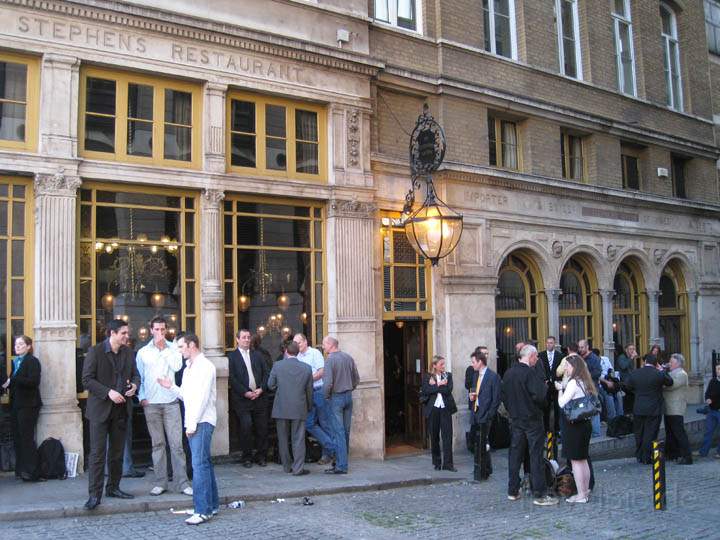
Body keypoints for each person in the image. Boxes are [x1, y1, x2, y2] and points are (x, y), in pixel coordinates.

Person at [158, 333, 218, 525]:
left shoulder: (206, 367)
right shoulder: (188, 368)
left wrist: (192, 425)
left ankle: (202, 510)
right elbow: (186, 395)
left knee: (199, 465)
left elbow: (201, 399)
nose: (180, 351)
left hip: (202, 421)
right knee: (204, 464)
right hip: (195, 420)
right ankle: (211, 505)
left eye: (181, 347)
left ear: (192, 345)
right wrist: (171, 387)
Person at [81, 319, 140, 510]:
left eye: (127, 333)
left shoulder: (129, 353)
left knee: (116, 454)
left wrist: (135, 386)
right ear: (112, 333)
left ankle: (113, 487)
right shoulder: (95, 352)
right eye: (123, 333)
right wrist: (108, 392)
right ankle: (94, 495)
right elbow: (87, 380)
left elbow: (136, 374)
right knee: (97, 455)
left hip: (122, 410)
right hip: (100, 410)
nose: (126, 336)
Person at [136, 317, 192, 496]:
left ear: (166, 330)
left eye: (162, 330)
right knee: (157, 444)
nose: (160, 333)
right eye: (156, 330)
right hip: (151, 403)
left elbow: (176, 366)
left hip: (171, 402)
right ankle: (161, 482)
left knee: (176, 445)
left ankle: (182, 483)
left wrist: (165, 348)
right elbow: (140, 377)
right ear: (151, 330)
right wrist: (142, 397)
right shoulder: (143, 352)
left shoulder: (174, 349)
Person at [501, 344, 558, 506]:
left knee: (515, 455)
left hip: (516, 419)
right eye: (536, 357)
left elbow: (504, 396)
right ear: (530, 356)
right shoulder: (530, 373)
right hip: (532, 419)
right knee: (535, 456)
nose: (537, 360)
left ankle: (513, 490)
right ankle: (539, 493)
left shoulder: (509, 373)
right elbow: (540, 396)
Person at [267, 340, 313, 476]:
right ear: (298, 352)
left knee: (282, 438)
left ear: (286, 351)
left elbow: (270, 385)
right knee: (298, 439)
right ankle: (298, 468)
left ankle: (287, 467)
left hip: (281, 407)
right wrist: (309, 406)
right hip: (299, 407)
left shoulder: (277, 365)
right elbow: (309, 391)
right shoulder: (306, 368)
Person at [556, 354, 596, 503]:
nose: (565, 368)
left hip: (574, 426)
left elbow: (562, 403)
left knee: (576, 461)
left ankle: (581, 495)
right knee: (583, 459)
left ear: (574, 367)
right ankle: (585, 491)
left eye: (567, 366)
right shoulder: (584, 381)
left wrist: (560, 389)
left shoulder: (573, 383)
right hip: (584, 424)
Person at [1, 336, 42, 481]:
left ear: (29, 346)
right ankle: (21, 470)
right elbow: (15, 383)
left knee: (26, 438)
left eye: (20, 344)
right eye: (16, 344)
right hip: (16, 404)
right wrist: (8, 384)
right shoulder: (16, 362)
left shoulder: (32, 361)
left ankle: (31, 472)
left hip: (28, 405)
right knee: (17, 438)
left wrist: (13, 380)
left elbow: (33, 381)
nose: (17, 346)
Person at [228, 329, 269, 468]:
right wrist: (245, 392)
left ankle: (261, 456)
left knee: (262, 428)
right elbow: (232, 378)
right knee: (246, 427)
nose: (246, 340)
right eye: (243, 337)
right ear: (237, 339)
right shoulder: (232, 357)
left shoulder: (258, 355)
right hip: (242, 399)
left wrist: (262, 388)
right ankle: (247, 457)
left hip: (259, 397)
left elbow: (266, 373)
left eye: (248, 337)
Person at [623, 354, 673, 464]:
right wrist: (661, 370)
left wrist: (637, 392)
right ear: (656, 364)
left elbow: (627, 386)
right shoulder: (658, 374)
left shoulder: (636, 373)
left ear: (645, 362)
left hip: (639, 407)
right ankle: (647, 456)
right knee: (651, 433)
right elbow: (670, 382)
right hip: (654, 408)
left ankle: (640, 455)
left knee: (639, 432)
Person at [294, 333, 334, 465]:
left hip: (319, 391)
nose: (297, 345)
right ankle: (332, 447)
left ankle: (326, 455)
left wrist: (307, 380)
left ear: (305, 342)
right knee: (309, 423)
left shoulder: (315, 353)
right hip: (306, 394)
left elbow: (321, 372)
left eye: (299, 342)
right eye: (295, 343)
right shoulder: (297, 357)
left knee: (324, 423)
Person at [322, 335, 360, 475]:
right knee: (345, 432)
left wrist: (326, 396)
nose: (323, 346)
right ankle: (340, 462)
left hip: (336, 398)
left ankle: (341, 465)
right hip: (348, 396)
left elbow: (327, 384)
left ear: (331, 345)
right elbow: (356, 378)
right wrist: (350, 388)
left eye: (324, 344)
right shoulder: (348, 357)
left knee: (338, 432)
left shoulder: (330, 360)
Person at [422, 355, 458, 472]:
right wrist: (440, 384)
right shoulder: (427, 377)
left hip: (445, 408)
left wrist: (437, 385)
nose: (443, 366)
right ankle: (437, 462)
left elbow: (448, 390)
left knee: (447, 436)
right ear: (434, 365)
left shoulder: (448, 375)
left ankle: (448, 464)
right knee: (434, 436)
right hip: (433, 409)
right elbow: (426, 390)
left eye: (444, 364)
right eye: (441, 364)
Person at [468, 350, 500, 480]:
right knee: (477, 442)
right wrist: (471, 398)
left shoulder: (493, 376)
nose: (472, 364)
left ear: (480, 362)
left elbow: (496, 398)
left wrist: (489, 414)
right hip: (476, 411)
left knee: (482, 442)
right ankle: (485, 468)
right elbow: (474, 391)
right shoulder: (475, 375)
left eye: (473, 362)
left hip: (486, 414)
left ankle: (481, 471)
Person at [663, 353, 692, 465]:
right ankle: (672, 454)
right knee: (670, 433)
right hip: (668, 408)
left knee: (679, 433)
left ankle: (687, 456)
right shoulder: (671, 373)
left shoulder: (681, 374)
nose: (669, 364)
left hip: (676, 408)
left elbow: (671, 385)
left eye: (671, 362)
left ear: (678, 363)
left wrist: (662, 373)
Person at [695, 363, 720, 459]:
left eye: (719, 369)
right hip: (711, 410)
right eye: (717, 369)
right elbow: (707, 393)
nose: (718, 371)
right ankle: (703, 451)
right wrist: (707, 399)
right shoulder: (713, 381)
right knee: (708, 431)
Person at [537, 336, 561, 437]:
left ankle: (557, 429)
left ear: (554, 344)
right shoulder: (541, 355)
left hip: (555, 385)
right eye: (547, 343)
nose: (549, 344)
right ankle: (546, 429)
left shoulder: (559, 356)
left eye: (551, 343)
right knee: (545, 408)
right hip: (545, 385)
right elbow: (538, 370)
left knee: (557, 407)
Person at [578, 340, 602, 437]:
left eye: (582, 347)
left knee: (594, 409)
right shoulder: (580, 357)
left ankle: (596, 432)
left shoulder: (594, 358)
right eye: (579, 347)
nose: (580, 349)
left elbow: (598, 372)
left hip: (592, 387)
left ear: (587, 347)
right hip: (583, 388)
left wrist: (586, 375)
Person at [616, 344, 638, 413]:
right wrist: (631, 358)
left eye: (633, 349)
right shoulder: (621, 357)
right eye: (630, 349)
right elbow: (623, 366)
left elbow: (632, 370)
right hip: (623, 382)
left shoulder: (631, 358)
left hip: (630, 382)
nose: (632, 351)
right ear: (626, 350)